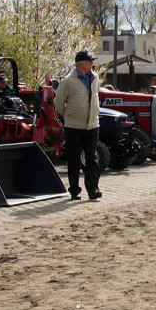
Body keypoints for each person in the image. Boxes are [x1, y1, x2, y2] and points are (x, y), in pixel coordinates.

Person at [53, 50, 102, 200]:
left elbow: (96, 96)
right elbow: (58, 103)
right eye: (89, 61)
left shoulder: (95, 78)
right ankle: (74, 190)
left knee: (92, 158)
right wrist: (69, 116)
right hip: (74, 126)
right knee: (74, 159)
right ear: (80, 64)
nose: (92, 64)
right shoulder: (68, 81)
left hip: (93, 125)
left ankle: (93, 189)